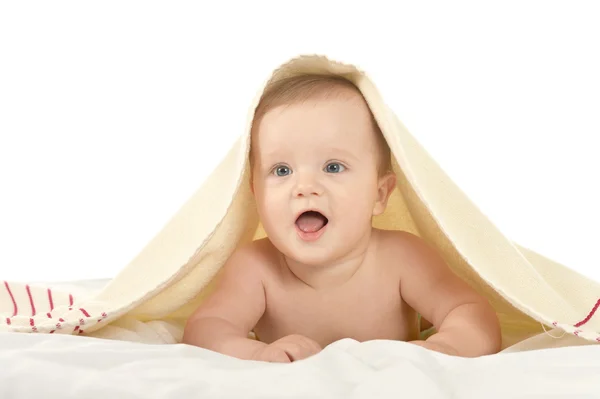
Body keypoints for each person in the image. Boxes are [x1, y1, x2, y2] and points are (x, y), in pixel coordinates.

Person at [182, 74, 501, 362]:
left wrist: (445, 348)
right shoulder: (255, 268)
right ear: (255, 194)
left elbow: (470, 312)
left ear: (379, 195)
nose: (305, 188)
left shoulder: (402, 258)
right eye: (282, 170)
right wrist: (256, 353)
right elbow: (207, 329)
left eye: (333, 167)